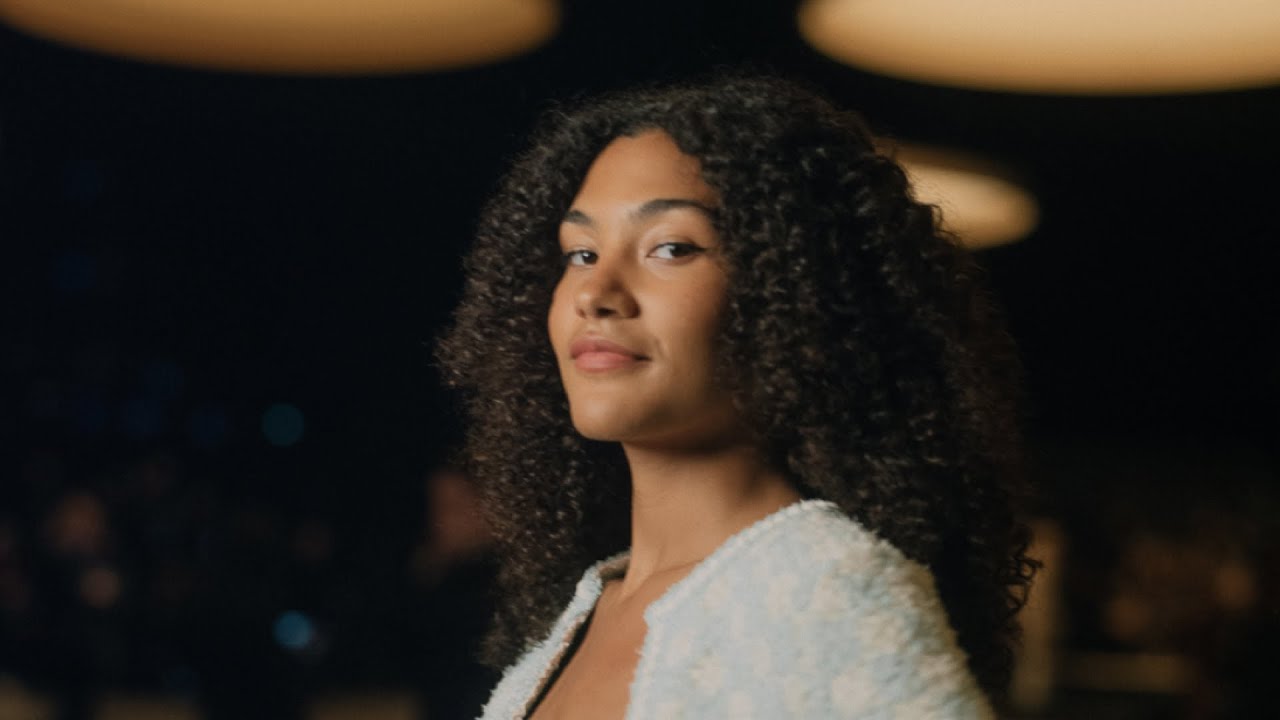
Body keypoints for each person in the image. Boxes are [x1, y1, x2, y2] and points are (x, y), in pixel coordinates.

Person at [437, 74, 1035, 719]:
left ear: (797, 298)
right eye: (579, 253)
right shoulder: (583, 613)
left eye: (671, 247)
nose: (596, 292)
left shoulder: (826, 590)